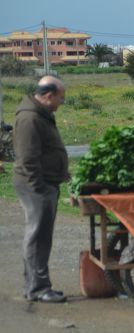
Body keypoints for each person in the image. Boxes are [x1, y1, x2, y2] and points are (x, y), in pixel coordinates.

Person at [13, 76, 69, 303]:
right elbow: (28, 158)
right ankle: (38, 289)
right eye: (60, 98)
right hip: (35, 185)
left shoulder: (40, 115)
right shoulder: (30, 119)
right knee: (38, 237)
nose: (61, 103)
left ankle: (35, 286)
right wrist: (40, 188)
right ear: (48, 96)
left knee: (41, 237)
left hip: (44, 183)